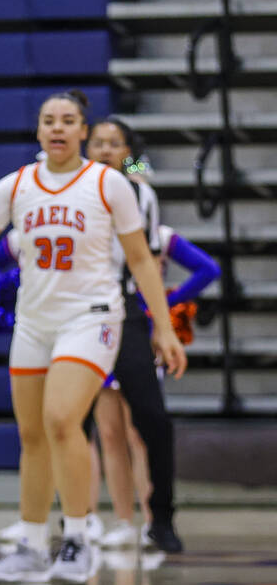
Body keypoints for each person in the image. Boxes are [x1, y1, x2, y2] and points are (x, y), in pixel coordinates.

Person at [0, 91, 186, 585]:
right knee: (32, 435)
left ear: (83, 130)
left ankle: (77, 537)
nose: (57, 128)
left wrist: (162, 326)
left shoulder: (108, 184)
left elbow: (141, 259)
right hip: (34, 322)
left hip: (92, 317)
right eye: (49, 120)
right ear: (38, 131)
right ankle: (32, 545)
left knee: (61, 420)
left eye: (68, 120)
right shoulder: (15, 187)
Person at [83, 118, 187, 553]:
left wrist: (164, 325)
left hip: (126, 313)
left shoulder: (141, 193)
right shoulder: (55, 186)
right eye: (98, 143)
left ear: (128, 151)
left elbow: (148, 261)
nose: (105, 149)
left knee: (151, 420)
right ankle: (76, 523)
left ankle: (160, 518)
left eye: (115, 144)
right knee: (70, 423)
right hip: (73, 313)